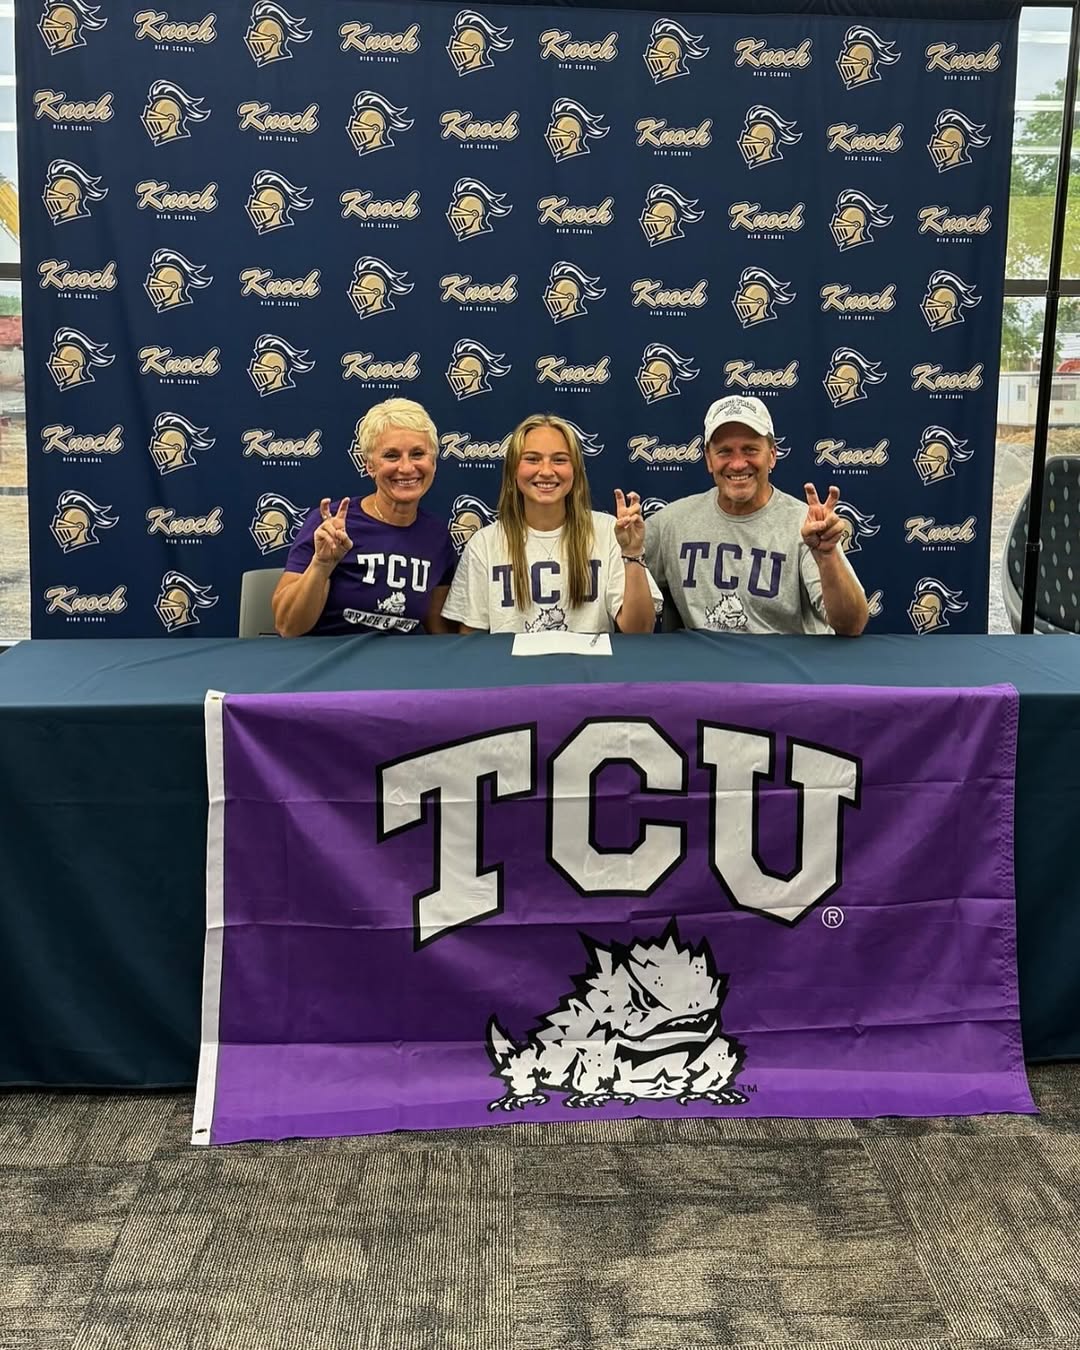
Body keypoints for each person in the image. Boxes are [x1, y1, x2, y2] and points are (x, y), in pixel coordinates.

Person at [645, 395, 869, 635]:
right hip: (705, 658)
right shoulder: (671, 523)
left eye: (750, 450)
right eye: (724, 452)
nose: (738, 464)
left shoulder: (806, 526)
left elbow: (851, 625)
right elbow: (624, 589)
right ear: (709, 459)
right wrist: (629, 552)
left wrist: (827, 557)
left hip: (785, 659)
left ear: (772, 455)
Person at [442, 412, 660, 634]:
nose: (546, 471)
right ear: (513, 470)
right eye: (532, 459)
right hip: (510, 659)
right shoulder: (484, 544)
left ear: (575, 471)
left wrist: (632, 553)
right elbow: (471, 638)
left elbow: (640, 630)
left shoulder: (607, 532)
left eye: (559, 460)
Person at [273, 397, 455, 636]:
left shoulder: (437, 537)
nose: (406, 467)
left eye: (418, 454)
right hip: (331, 657)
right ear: (369, 465)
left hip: (402, 660)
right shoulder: (330, 525)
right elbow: (287, 626)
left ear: (433, 462)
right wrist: (322, 565)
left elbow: (439, 633)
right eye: (391, 456)